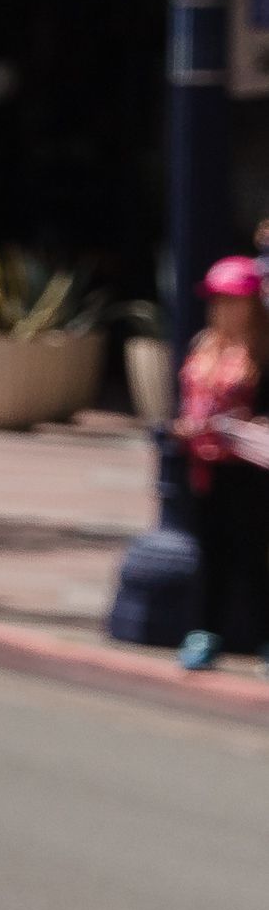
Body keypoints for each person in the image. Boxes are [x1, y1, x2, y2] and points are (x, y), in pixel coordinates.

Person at [173, 256, 269, 670]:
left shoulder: (262, 354)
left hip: (251, 470)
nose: (226, 307)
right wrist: (185, 429)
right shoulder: (204, 345)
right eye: (219, 298)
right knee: (210, 552)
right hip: (206, 467)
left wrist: (249, 426)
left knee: (254, 555)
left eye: (234, 299)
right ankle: (204, 633)